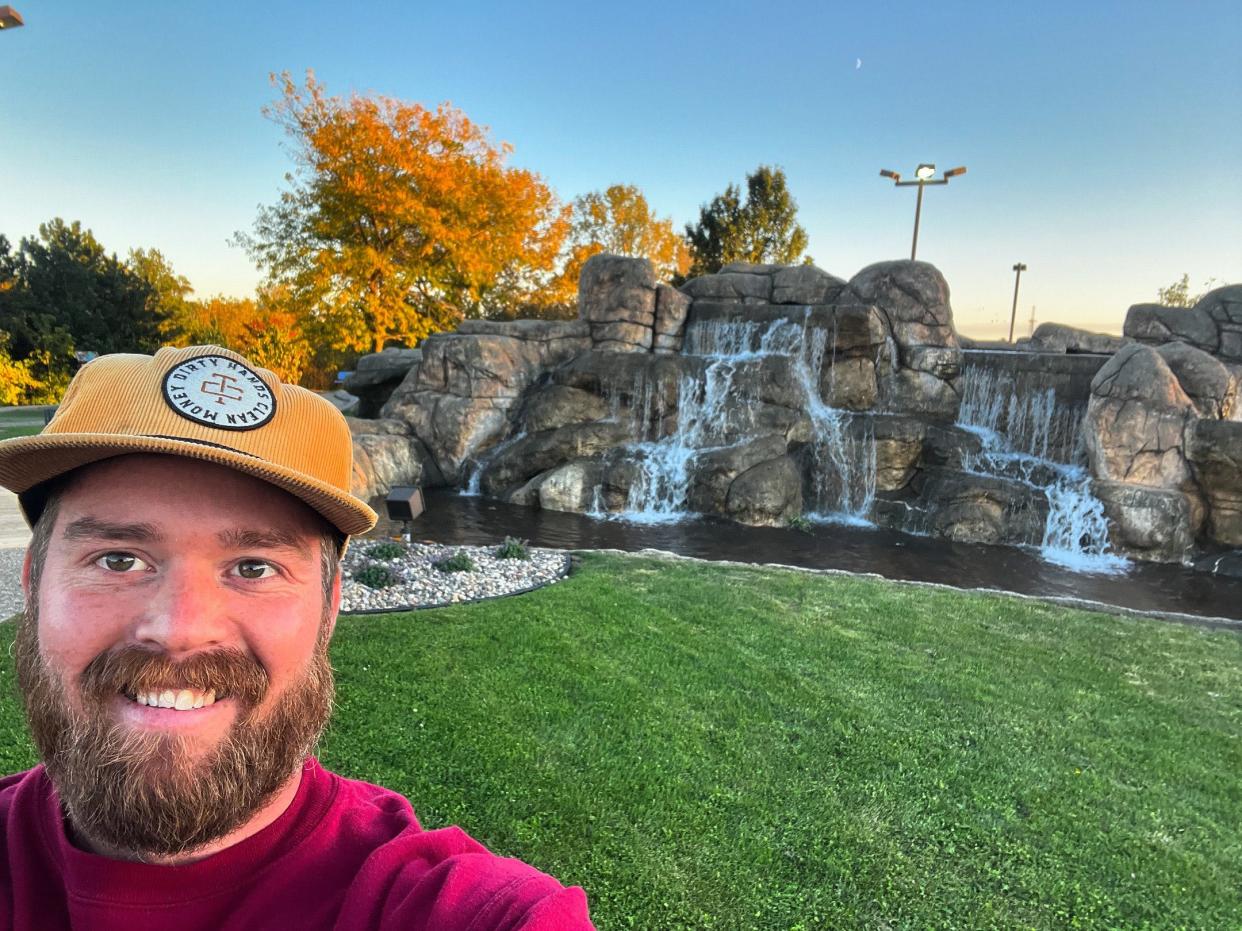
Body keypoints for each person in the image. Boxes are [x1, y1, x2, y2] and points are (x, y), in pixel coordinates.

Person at [0, 345, 595, 930]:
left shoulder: (458, 910)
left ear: (328, 610)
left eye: (254, 568)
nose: (179, 629)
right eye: (119, 560)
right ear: (33, 582)